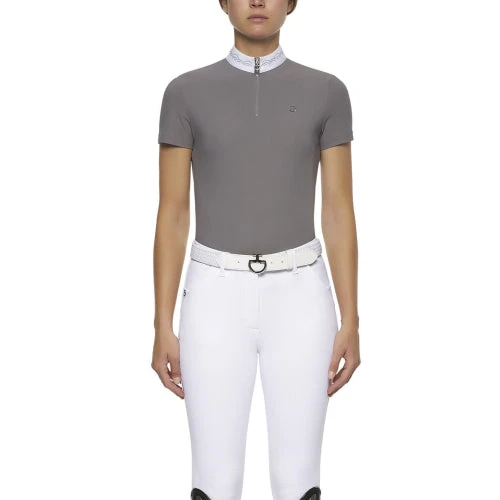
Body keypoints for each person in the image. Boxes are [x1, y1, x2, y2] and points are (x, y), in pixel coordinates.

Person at [151, 1, 361, 499]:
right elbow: (173, 213)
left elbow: (337, 210)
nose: (258, 1)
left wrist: (351, 319)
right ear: (223, 2)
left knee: (298, 480)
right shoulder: (184, 93)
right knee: (214, 481)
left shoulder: (327, 92)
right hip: (213, 294)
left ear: (292, 2)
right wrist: (162, 323)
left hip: (302, 294)